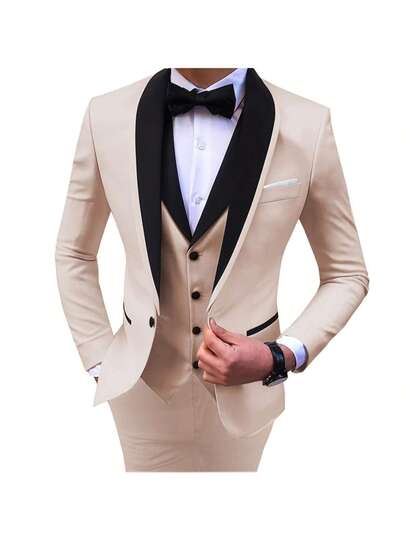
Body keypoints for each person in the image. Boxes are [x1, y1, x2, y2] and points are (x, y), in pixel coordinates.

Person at [55, 67, 369, 471]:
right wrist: (102, 360)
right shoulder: (107, 115)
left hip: (247, 396)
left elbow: (346, 272)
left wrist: (278, 356)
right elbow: (75, 252)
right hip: (142, 390)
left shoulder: (307, 124)